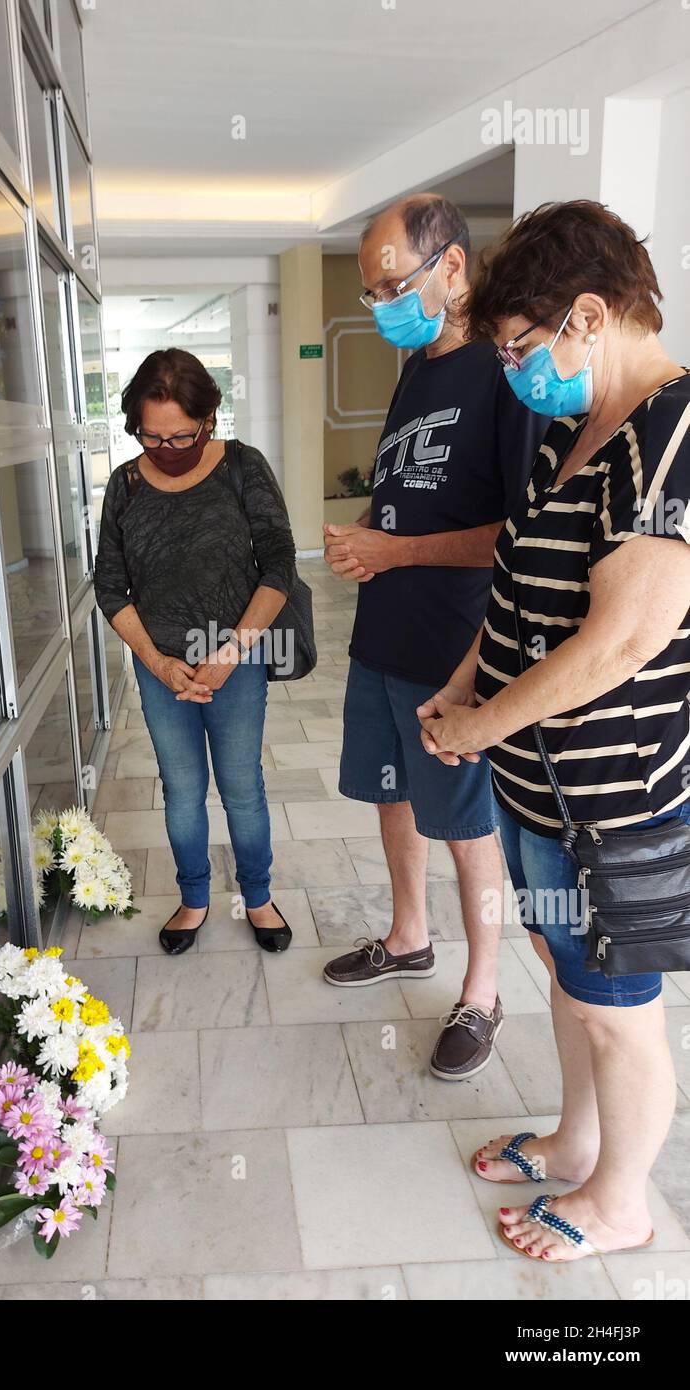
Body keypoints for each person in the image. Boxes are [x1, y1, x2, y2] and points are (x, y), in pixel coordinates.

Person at [419, 198, 690, 1261]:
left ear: (588, 315)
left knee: (617, 1003)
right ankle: (577, 1143)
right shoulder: (572, 435)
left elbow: (616, 644)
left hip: (615, 797)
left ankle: (622, 1200)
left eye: (521, 347)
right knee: (567, 972)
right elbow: (513, 599)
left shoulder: (672, 436)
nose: (515, 371)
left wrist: (482, 720)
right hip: (539, 788)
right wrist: (457, 692)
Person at [322, 193, 547, 1080]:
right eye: (370, 292)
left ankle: (481, 991)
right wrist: (371, 550)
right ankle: (408, 937)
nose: (379, 305)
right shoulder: (418, 366)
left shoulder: (506, 371)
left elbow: (520, 530)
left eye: (390, 284)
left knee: (465, 827)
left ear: (451, 266)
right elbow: (414, 493)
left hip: (458, 652)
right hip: (383, 633)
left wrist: (398, 547)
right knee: (389, 795)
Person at [94, 349, 297, 954]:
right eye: (150, 436)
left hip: (234, 658)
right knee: (181, 788)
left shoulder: (242, 466)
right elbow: (109, 585)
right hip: (161, 668)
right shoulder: (125, 485)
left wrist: (231, 651)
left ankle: (257, 897)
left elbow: (279, 562)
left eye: (181, 435)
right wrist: (157, 662)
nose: (166, 448)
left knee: (240, 784)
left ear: (209, 418)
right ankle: (194, 898)